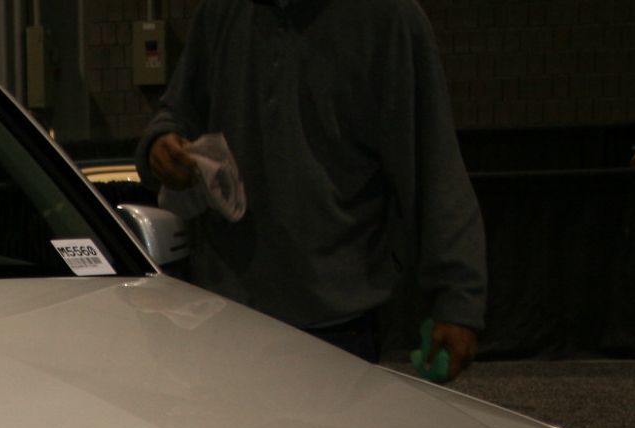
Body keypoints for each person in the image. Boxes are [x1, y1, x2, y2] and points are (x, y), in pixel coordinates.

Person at [136, 0, 484, 380]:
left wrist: (457, 300)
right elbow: (177, 112)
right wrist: (159, 144)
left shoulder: (388, 18)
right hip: (226, 315)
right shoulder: (222, 11)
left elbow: (433, 164)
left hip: (336, 323)